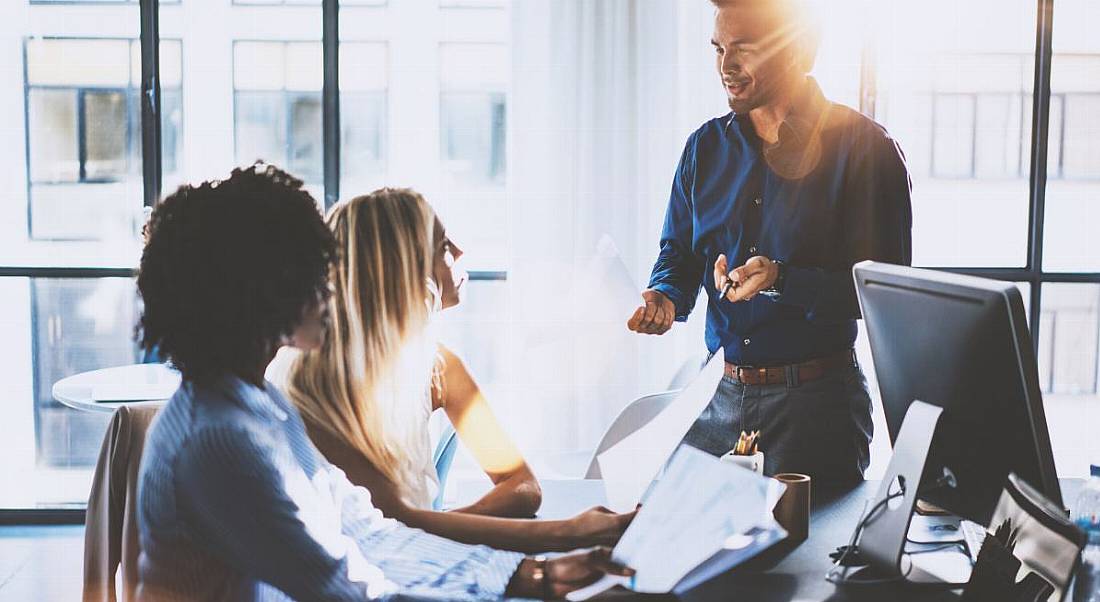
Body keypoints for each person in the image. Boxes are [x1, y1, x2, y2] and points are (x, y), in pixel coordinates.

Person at [135, 164, 631, 601]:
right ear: (258, 294)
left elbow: (367, 533)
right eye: (312, 268)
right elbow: (347, 588)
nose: (331, 283)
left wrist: (535, 576)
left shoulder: (256, 402)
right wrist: (539, 577)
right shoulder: (219, 440)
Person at [627, 0, 912, 485]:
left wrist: (782, 280)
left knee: (808, 558)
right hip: (715, 401)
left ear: (799, 49)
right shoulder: (704, 148)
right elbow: (678, 254)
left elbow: (884, 296)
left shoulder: (867, 151)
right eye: (718, 48)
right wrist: (665, 297)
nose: (726, 67)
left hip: (817, 411)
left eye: (744, 49)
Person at [280, 188, 634, 553]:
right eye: (442, 245)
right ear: (403, 269)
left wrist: (445, 523)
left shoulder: (438, 366)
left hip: (410, 557)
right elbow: (393, 525)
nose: (460, 251)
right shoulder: (315, 386)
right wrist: (571, 531)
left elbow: (522, 485)